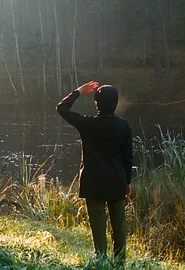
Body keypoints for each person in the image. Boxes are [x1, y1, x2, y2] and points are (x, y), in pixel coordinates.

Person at [56, 80, 133, 262]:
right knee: (119, 226)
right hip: (117, 181)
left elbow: (62, 108)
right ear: (115, 103)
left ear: (96, 104)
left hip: (93, 182)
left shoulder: (87, 124)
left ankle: (101, 260)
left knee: (98, 225)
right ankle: (120, 263)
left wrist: (78, 92)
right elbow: (128, 157)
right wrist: (127, 182)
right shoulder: (123, 125)